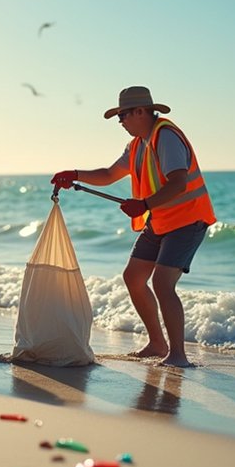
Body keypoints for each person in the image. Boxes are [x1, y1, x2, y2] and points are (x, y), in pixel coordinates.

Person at [51, 86, 216, 367]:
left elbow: (179, 183)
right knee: (133, 278)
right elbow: (109, 174)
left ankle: (178, 355)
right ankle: (157, 343)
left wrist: (145, 204)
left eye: (123, 115)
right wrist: (74, 174)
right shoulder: (137, 144)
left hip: (187, 220)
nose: (120, 122)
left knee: (162, 283)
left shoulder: (166, 137)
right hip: (160, 220)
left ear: (140, 111)